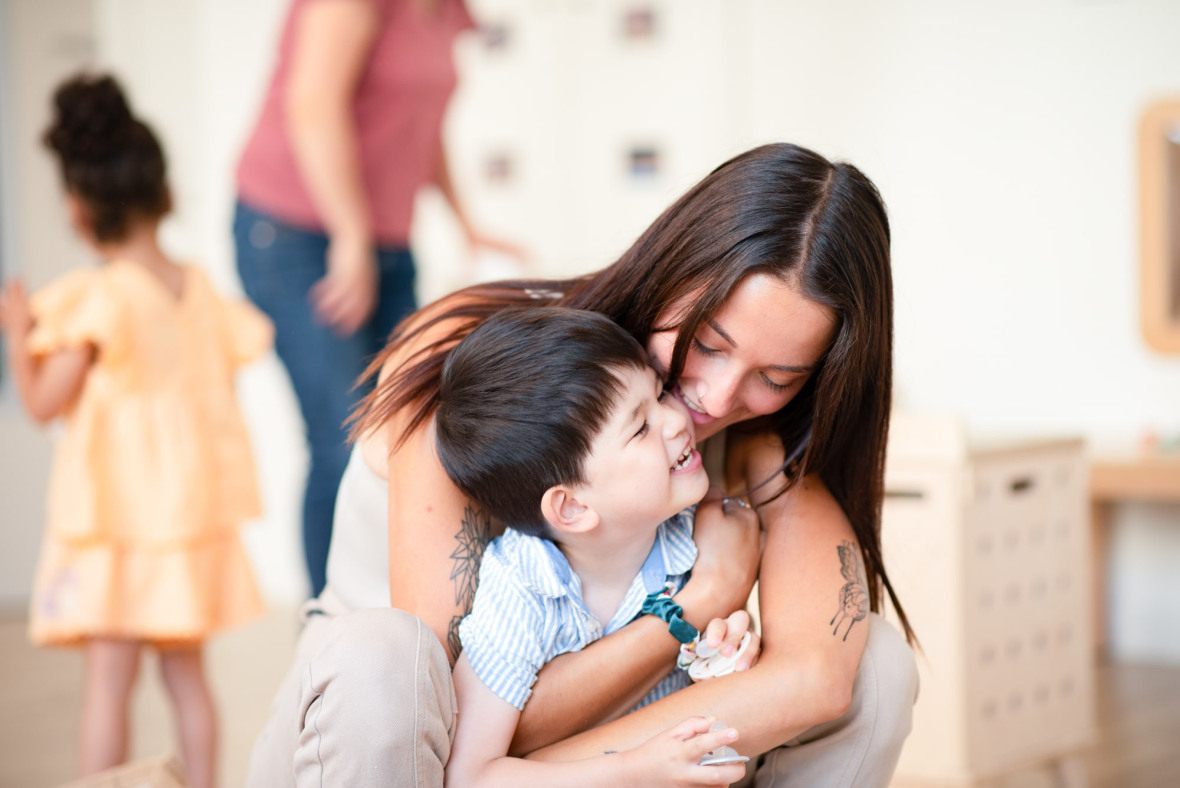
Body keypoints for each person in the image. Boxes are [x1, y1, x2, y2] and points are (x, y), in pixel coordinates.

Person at [248, 142, 920, 787]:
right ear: (671, 267)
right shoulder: (481, 370)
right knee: (388, 660)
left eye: (776, 376)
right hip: (372, 744)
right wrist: (698, 601)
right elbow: (444, 724)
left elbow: (815, 681)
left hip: (519, 768)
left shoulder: (756, 442)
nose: (714, 399)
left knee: (874, 667)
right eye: (709, 343)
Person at [0, 73, 271, 788]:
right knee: (188, 679)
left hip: (117, 520)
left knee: (108, 682)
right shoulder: (201, 290)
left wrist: (16, 334)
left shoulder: (96, 296)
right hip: (185, 522)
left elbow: (42, 403)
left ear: (80, 208)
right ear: (163, 193)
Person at [233, 0, 520, 597]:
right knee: (342, 442)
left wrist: (464, 221)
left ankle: (402, 622)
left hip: (381, 238)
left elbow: (418, 120)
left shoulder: (447, 12)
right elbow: (313, 106)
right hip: (297, 232)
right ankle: (329, 640)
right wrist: (350, 235)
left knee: (412, 427)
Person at [436, 307, 760, 786]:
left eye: (657, 395)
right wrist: (632, 769)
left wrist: (723, 654)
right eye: (640, 428)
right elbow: (470, 776)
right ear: (570, 509)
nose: (675, 420)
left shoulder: (693, 538)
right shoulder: (522, 589)